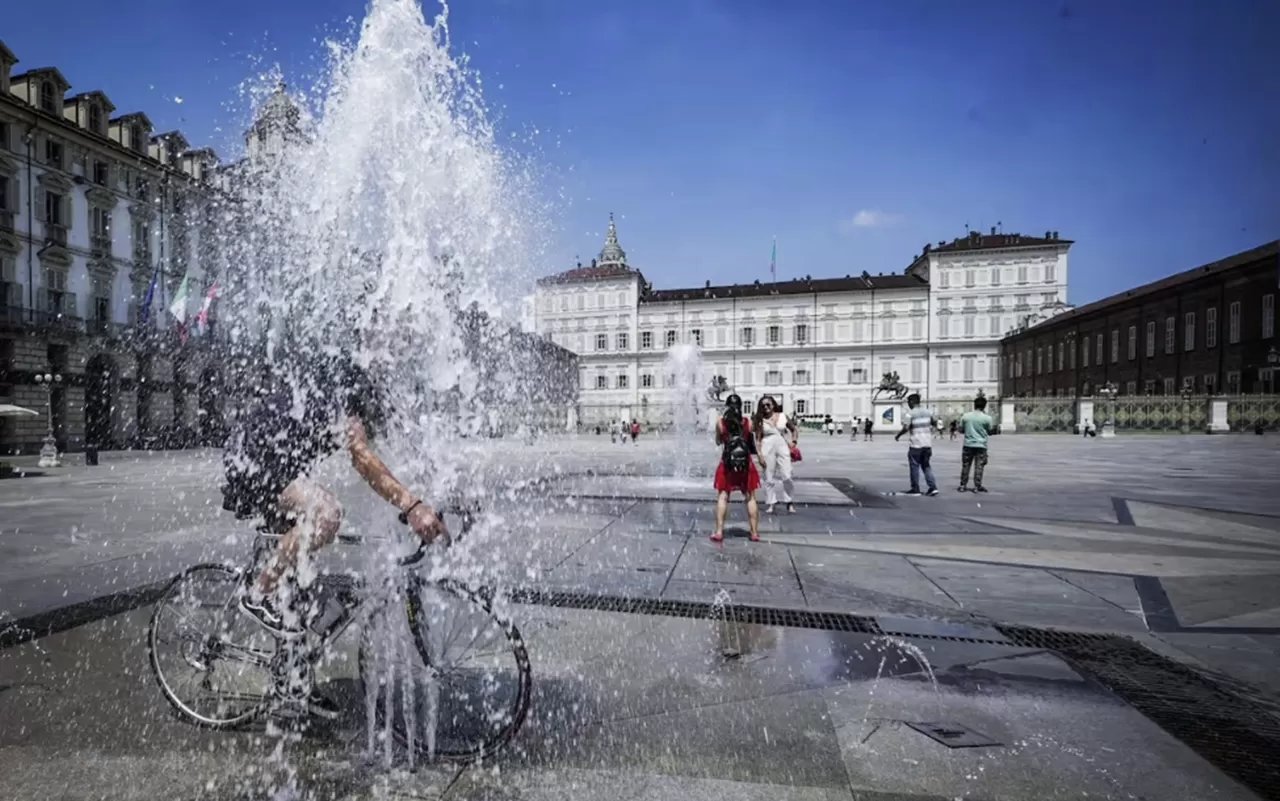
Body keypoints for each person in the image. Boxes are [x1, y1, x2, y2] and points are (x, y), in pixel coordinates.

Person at [222, 353, 449, 641]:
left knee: (307, 592)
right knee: (326, 514)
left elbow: (403, 450)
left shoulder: (364, 380)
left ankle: (291, 672)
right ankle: (257, 594)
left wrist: (444, 496)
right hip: (255, 461)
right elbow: (363, 460)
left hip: (280, 462)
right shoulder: (348, 378)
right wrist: (413, 507)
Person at [711, 394, 760, 542]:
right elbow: (751, 439)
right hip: (745, 464)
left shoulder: (720, 422)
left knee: (723, 496)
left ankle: (719, 531)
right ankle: (754, 533)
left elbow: (718, 441)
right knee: (750, 497)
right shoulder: (747, 422)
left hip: (728, 464)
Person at [753, 394, 796, 514]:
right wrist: (759, 455)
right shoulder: (759, 420)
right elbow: (757, 439)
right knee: (769, 477)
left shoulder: (782, 416)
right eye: (763, 405)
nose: (766, 407)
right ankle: (771, 503)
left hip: (782, 447)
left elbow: (794, 429)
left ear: (773, 405)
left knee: (787, 475)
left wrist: (794, 441)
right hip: (767, 447)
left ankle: (789, 501)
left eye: (768, 404)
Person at [894, 393, 939, 496]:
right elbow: (935, 422)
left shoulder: (910, 414)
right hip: (927, 444)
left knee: (914, 466)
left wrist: (898, 435)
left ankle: (915, 488)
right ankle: (932, 487)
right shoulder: (929, 412)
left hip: (916, 444)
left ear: (911, 402)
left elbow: (906, 427)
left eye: (908, 402)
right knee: (926, 466)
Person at [957, 396, 994, 492]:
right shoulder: (987, 418)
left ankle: (962, 485)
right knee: (979, 466)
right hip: (981, 445)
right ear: (984, 406)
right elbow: (990, 431)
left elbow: (961, 430)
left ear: (974, 405)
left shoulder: (965, 416)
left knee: (966, 465)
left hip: (968, 444)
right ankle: (977, 486)